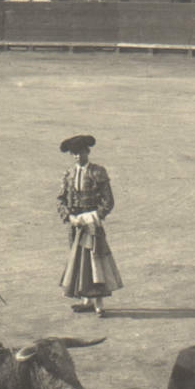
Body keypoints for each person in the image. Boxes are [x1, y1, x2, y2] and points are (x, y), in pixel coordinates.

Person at [57, 134, 122, 317]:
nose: (77, 156)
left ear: (87, 152)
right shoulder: (69, 174)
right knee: (78, 260)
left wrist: (94, 216)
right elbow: (60, 200)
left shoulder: (97, 172)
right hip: (76, 226)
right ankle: (86, 300)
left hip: (92, 224)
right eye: (74, 154)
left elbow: (108, 201)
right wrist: (70, 217)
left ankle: (99, 304)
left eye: (80, 152)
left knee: (96, 260)